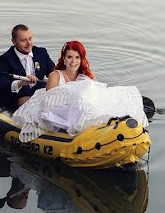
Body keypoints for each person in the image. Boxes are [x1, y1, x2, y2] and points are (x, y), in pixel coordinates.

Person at [11, 40, 148, 142]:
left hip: (80, 110)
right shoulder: (55, 75)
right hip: (58, 112)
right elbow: (49, 105)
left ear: (81, 59)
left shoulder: (87, 75)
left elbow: (97, 96)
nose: (73, 61)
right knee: (79, 107)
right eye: (69, 57)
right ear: (64, 58)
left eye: (77, 57)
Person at [0, 24, 56, 110]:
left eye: (30, 39)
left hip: (39, 92)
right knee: (24, 93)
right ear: (13, 41)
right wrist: (20, 83)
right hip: (17, 96)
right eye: (23, 40)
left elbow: (54, 72)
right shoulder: (5, 59)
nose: (29, 43)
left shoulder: (41, 53)